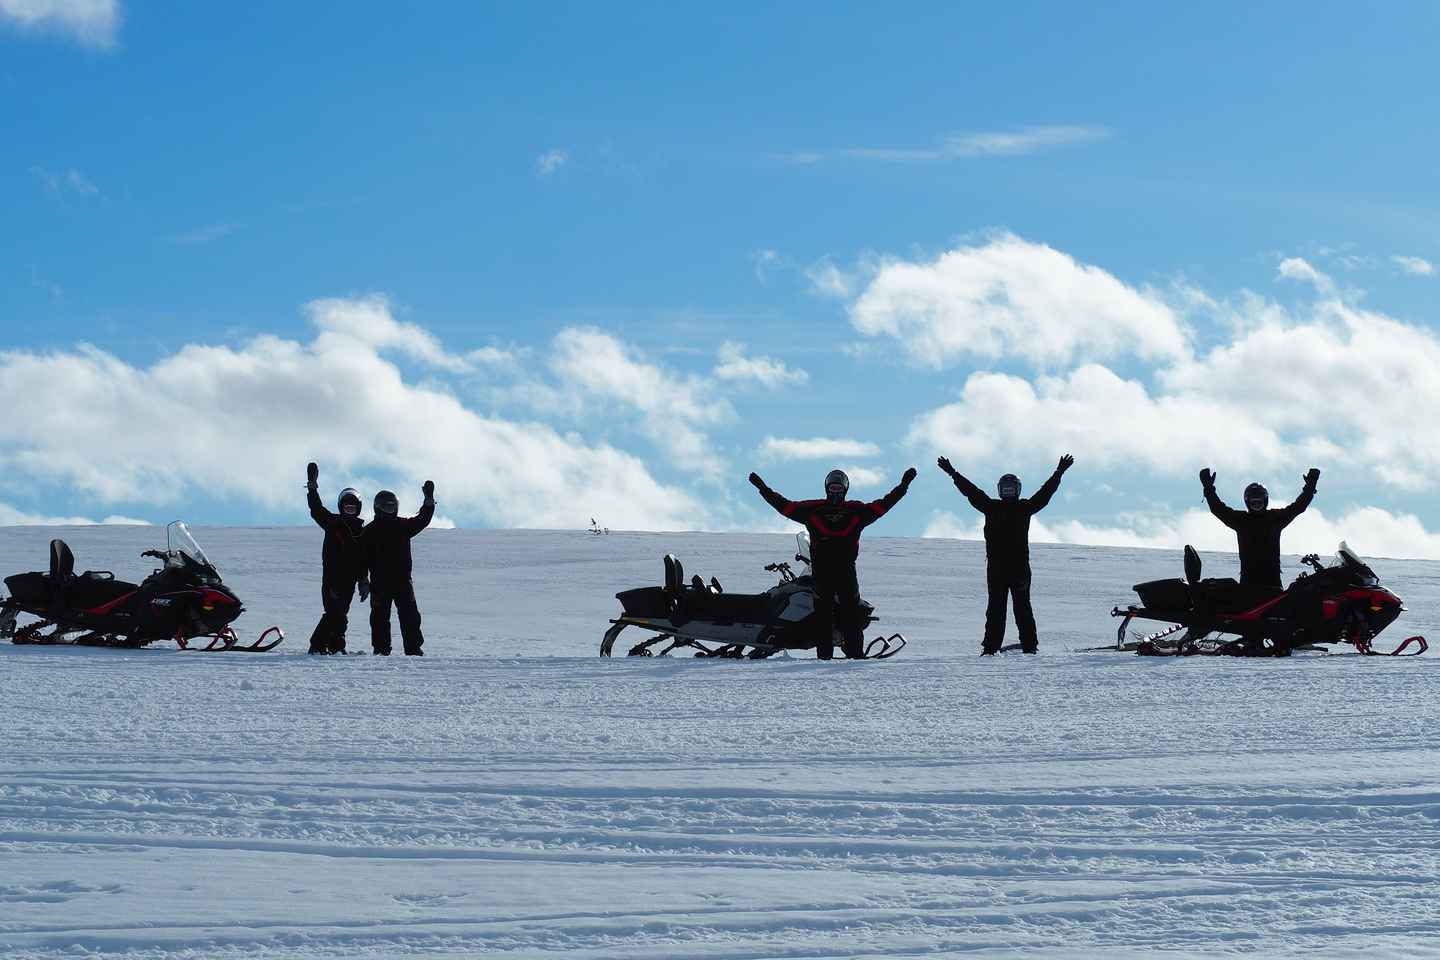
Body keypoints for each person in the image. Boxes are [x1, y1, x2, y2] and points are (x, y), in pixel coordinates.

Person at [749, 466, 916, 659]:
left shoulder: (856, 510)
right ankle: (824, 657)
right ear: (827, 489)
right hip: (822, 570)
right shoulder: (813, 509)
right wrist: (763, 489)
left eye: (839, 488)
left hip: (846, 569)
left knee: (851, 612)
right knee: (822, 614)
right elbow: (785, 506)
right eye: (832, 488)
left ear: (845, 489)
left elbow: (883, 505)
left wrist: (903, 486)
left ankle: (855, 655)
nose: (835, 492)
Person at [938, 454, 1074, 655]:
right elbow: (971, 491)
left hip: (1008, 567)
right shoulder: (1000, 507)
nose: (1008, 492)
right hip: (1006, 568)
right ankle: (1004, 647)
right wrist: (953, 474)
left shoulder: (1004, 507)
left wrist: (1058, 473)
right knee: (1003, 608)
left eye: (1010, 488)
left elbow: (1044, 493)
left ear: (1017, 490)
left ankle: (1015, 647)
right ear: (1001, 490)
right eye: (1006, 489)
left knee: (1012, 608)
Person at [1199, 467, 1320, 588]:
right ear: (1247, 502)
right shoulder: (1241, 520)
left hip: (1272, 583)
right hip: (1248, 583)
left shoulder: (1275, 518)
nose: (1257, 505)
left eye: (1259, 502)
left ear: (1265, 501)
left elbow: (1297, 507)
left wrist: (1309, 488)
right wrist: (1209, 489)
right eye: (1254, 502)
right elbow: (1218, 509)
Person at [363, 481, 435, 656]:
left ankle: (413, 649)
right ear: (377, 508)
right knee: (379, 618)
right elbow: (362, 559)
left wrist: (428, 501)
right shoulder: (369, 531)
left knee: (410, 616)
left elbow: (422, 520)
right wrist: (363, 579)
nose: (390, 510)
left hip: (403, 581)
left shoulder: (402, 525)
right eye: (386, 507)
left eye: (392, 506)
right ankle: (381, 650)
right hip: (379, 583)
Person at [304, 462, 369, 655]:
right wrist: (312, 487)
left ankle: (335, 647)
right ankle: (317, 645)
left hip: (349, 580)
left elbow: (362, 559)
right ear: (341, 508)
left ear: (358, 509)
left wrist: (363, 580)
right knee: (334, 613)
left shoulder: (361, 532)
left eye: (352, 508)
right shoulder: (333, 523)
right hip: (332, 578)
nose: (349, 511)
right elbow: (316, 509)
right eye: (346, 508)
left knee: (341, 614)